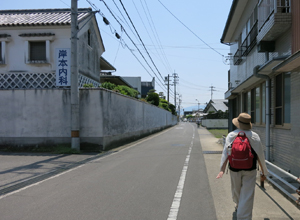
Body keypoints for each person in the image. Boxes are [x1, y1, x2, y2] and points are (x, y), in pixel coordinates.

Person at [216, 113, 268, 220]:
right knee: (248, 194)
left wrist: (222, 169)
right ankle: (244, 216)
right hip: (250, 169)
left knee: (236, 190)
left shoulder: (231, 135)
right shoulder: (254, 136)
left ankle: (238, 206)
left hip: (234, 168)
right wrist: (264, 172)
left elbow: (226, 153)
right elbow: (260, 155)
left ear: (238, 123)